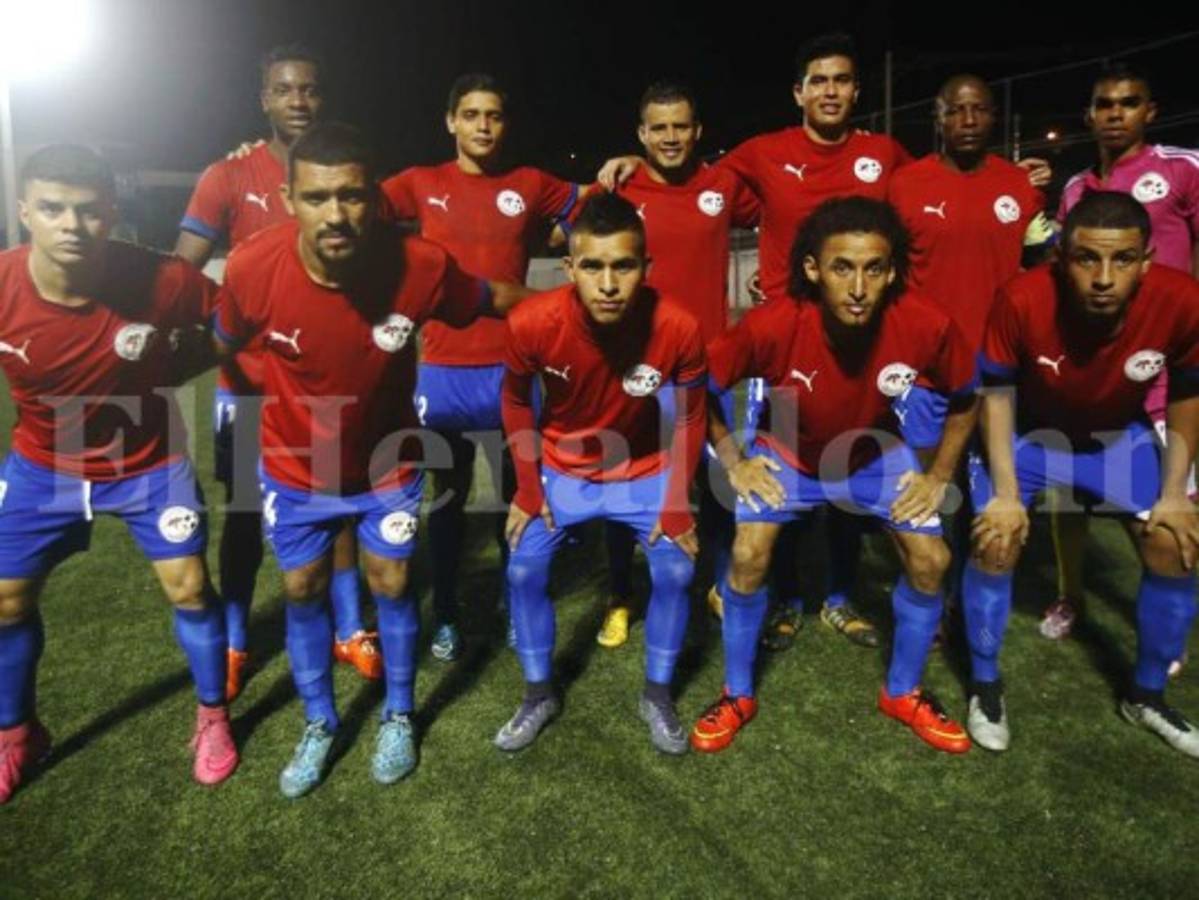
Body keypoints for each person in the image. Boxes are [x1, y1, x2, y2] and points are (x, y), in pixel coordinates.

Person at [214, 123, 527, 796]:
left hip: (388, 464)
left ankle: (399, 714)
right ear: (290, 199)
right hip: (294, 467)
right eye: (318, 197)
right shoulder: (249, 267)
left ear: (375, 200)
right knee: (302, 591)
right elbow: (224, 342)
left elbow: (491, 300)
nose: (336, 214)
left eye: (352, 196)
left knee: (389, 583)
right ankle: (320, 722)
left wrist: (578, 307)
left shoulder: (418, 265)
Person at [692, 196, 979, 754]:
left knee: (933, 560)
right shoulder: (773, 324)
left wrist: (937, 476)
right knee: (749, 555)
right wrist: (734, 460)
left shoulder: (924, 324)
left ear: (891, 271)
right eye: (842, 267)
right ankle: (737, 693)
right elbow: (697, 386)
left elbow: (966, 397)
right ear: (812, 269)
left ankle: (902, 691)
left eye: (874, 269)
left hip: (874, 453)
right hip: (790, 452)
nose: (858, 287)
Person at [0, 144, 238, 803]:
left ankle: (213, 718)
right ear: (25, 212)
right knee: (5, 602)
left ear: (111, 214)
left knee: (190, 588)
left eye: (88, 211)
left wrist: (184, 365)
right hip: (42, 465)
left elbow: (234, 317)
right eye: (52, 209)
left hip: (146, 464)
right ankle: (17, 735)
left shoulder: (160, 279)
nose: (71, 225)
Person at [176, 44, 379, 698]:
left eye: (310, 90)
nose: (298, 101)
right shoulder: (227, 176)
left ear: (323, 96)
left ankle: (349, 629)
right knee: (241, 513)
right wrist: (236, 314)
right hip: (247, 388)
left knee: (337, 507)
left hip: (326, 387)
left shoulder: (346, 173)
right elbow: (183, 273)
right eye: (285, 90)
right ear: (263, 98)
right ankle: (236, 639)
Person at [965, 191, 1199, 755]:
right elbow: (994, 393)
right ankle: (984, 686)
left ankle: (1146, 697)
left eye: (1122, 260)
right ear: (1061, 259)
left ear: (1147, 260)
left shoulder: (1182, 300)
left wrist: (1175, 492)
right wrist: (1005, 493)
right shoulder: (1021, 298)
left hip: (1117, 435)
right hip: (1029, 435)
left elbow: (1188, 395)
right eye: (1086, 258)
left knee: (1175, 540)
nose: (1103, 277)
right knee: (996, 540)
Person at [381, 73, 583, 660]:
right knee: (448, 494)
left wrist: (562, 239)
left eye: (493, 115)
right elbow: (356, 207)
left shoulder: (530, 183)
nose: (483, 126)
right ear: (451, 122)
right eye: (471, 115)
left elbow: (589, 211)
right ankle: (445, 610)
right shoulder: (421, 183)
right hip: (442, 368)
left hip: (511, 366)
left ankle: (513, 604)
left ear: (505, 123)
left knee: (519, 493)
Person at [497, 193, 706, 754]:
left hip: (645, 470)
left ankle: (657, 694)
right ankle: (539, 692)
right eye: (592, 266)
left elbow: (690, 415)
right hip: (565, 470)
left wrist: (677, 503)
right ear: (570, 269)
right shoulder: (532, 322)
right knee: (522, 571)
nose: (608, 283)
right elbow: (516, 403)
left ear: (646, 267)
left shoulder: (679, 326)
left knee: (677, 572)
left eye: (624, 266)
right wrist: (527, 485)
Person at [597, 79, 759, 649]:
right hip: (632, 365)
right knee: (622, 484)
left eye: (680, 127)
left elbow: (789, 214)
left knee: (714, 483)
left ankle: (717, 585)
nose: (670, 138)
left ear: (697, 131)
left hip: (707, 364)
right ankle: (621, 596)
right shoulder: (620, 187)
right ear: (641, 134)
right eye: (658, 128)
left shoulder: (723, 185)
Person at [1043, 63, 1199, 642]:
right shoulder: (1077, 188)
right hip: (1093, 373)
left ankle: (1166, 625)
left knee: (1172, 506)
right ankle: (1069, 597)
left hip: (1166, 374)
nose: (1115, 114)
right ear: (1089, 115)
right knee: (1072, 497)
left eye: (1128, 103)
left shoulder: (1181, 169)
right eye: (1104, 104)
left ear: (1149, 111)